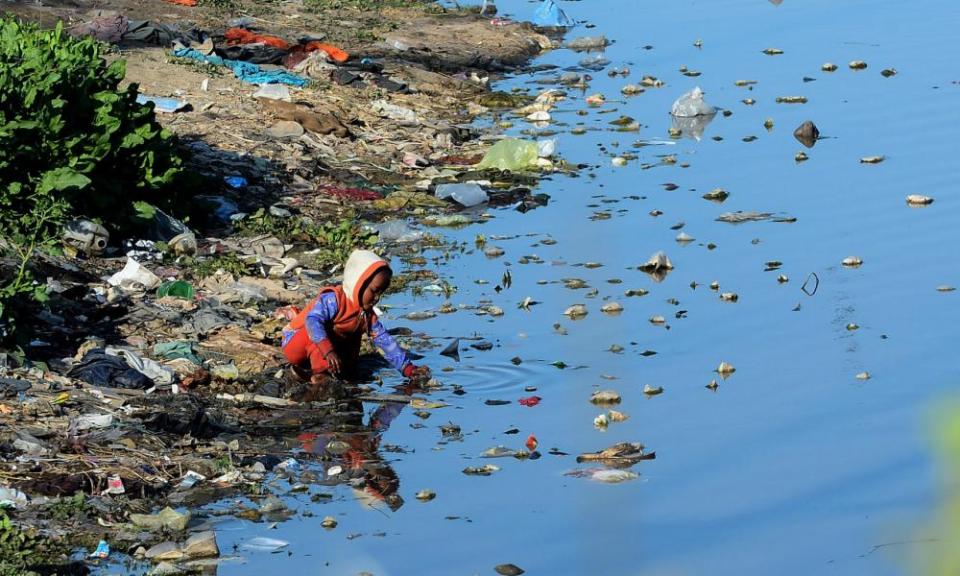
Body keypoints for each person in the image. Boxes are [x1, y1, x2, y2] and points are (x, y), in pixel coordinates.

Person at [281, 249, 429, 384]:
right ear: (358, 284)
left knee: (354, 341)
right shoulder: (334, 300)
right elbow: (313, 322)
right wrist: (328, 351)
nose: (377, 298)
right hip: (297, 343)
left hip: (327, 351)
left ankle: (325, 371)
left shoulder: (366, 314)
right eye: (374, 291)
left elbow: (385, 341)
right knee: (316, 324)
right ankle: (320, 374)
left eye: (381, 293)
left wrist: (408, 369)